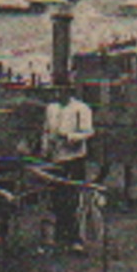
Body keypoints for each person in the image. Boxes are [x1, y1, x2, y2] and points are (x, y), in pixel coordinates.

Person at [43, 85, 96, 251]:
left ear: (69, 91)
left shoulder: (81, 108)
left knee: (74, 198)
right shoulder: (51, 108)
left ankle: (76, 239)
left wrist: (70, 137)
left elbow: (88, 132)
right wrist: (46, 148)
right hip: (56, 159)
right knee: (57, 198)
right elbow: (46, 130)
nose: (59, 94)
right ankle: (60, 237)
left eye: (62, 90)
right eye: (56, 91)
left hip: (74, 158)